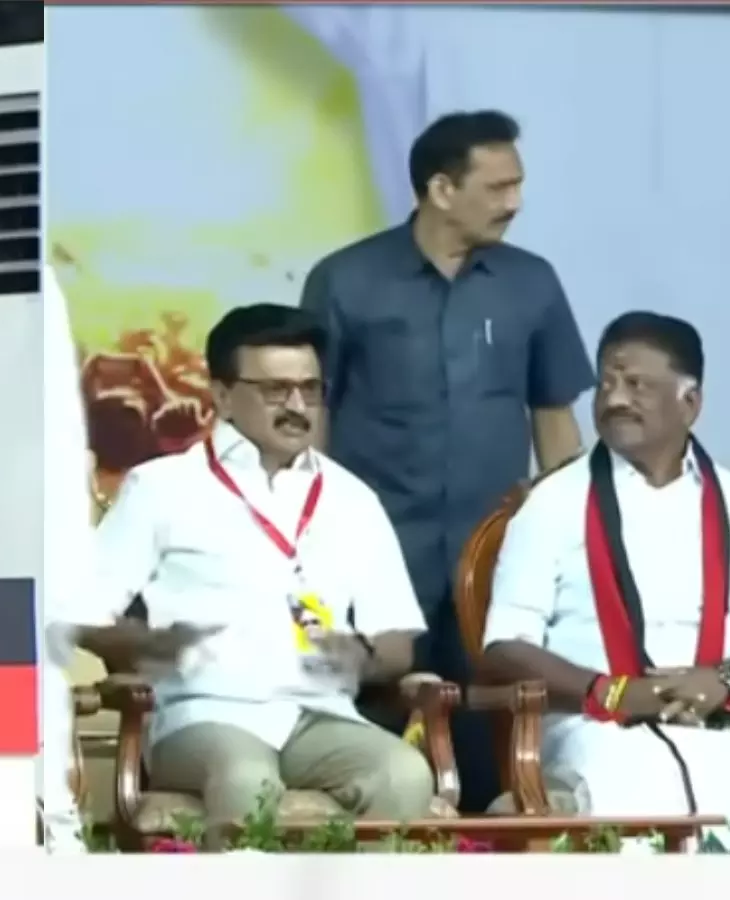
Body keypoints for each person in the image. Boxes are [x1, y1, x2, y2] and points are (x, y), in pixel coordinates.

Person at [300, 110, 594, 811]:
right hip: (375, 552)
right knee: (366, 728)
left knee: (493, 730)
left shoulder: (532, 283)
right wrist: (307, 537)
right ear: (440, 189)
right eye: (497, 187)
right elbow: (310, 415)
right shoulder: (345, 280)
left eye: (517, 185)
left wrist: (572, 545)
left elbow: (555, 419)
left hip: (493, 557)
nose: (514, 202)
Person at [52, 304, 433, 842]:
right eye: (275, 390)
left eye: (310, 389)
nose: (297, 406)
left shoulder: (352, 499)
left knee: (403, 774)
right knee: (247, 779)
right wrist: (148, 648)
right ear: (223, 395)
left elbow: (396, 641)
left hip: (318, 713)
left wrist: (360, 658)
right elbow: (82, 612)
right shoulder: (162, 487)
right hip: (205, 713)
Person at [482, 312, 730, 829]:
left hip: (724, 720)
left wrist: (723, 679)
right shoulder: (552, 502)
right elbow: (504, 647)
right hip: (594, 725)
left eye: (637, 385)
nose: (614, 399)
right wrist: (611, 691)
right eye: (606, 384)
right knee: (632, 777)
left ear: (690, 403)